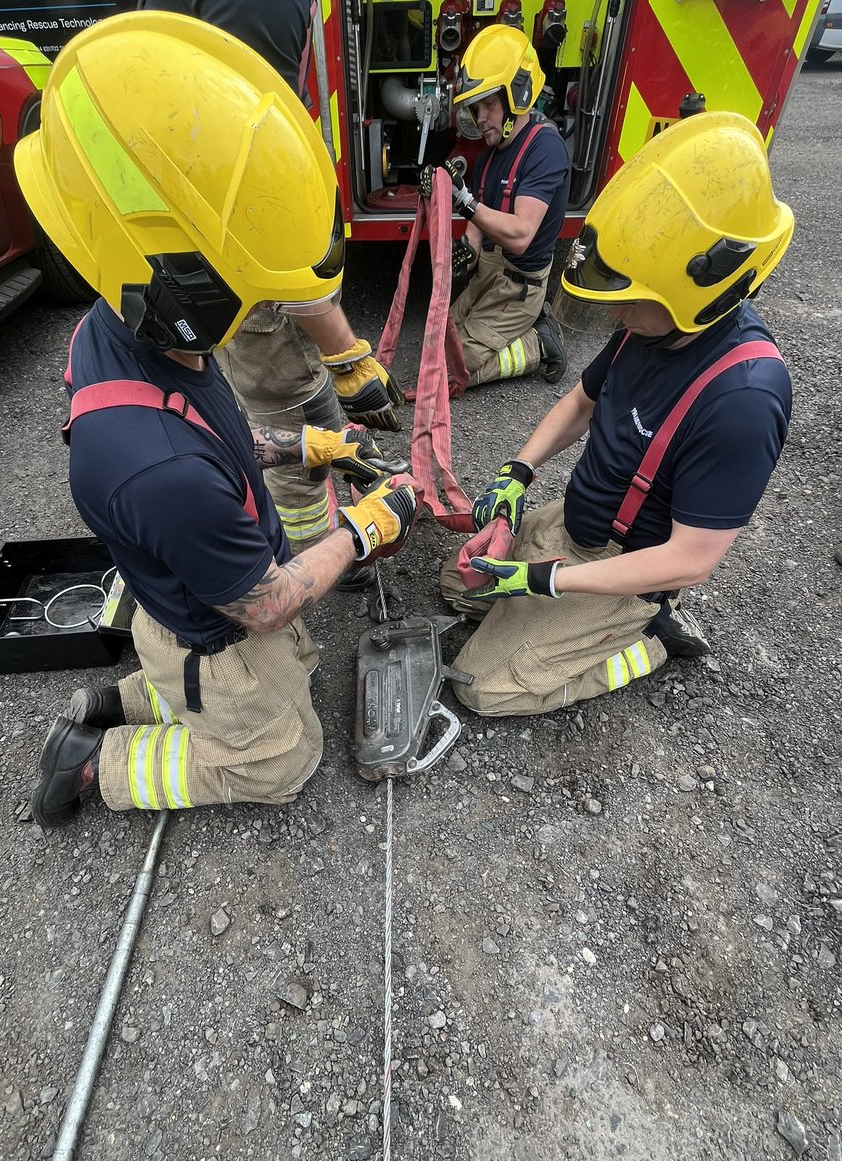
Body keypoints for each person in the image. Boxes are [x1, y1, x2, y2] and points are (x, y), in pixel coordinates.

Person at [16, 12, 417, 826]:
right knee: (285, 760)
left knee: (282, 668)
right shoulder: (158, 471)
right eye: (256, 290)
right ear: (188, 293)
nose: (274, 307)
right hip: (214, 628)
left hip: (186, 588)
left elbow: (216, 441)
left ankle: (127, 696)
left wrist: (316, 442)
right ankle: (96, 762)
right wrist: (371, 527)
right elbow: (265, 605)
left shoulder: (124, 324)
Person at [438, 110, 794, 716]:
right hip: (579, 521)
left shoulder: (743, 400)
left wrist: (549, 580)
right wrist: (518, 472)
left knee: (483, 687)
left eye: (631, 303)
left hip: (624, 565)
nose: (618, 315)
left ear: (696, 294)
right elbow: (580, 401)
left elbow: (692, 557)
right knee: (456, 586)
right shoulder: (655, 323)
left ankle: (646, 639)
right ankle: (554, 607)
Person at [139, 0, 405, 562]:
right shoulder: (230, 129)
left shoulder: (192, 87)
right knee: (285, 417)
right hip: (248, 289)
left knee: (306, 397)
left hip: (230, 271)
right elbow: (275, 268)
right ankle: (319, 551)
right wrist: (349, 356)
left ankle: (356, 469)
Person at [417, 24, 570, 389]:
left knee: (450, 372)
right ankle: (518, 335)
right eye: (475, 107)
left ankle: (539, 344)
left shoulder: (544, 150)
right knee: (433, 346)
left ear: (516, 95)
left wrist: (464, 201)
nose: (479, 117)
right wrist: (462, 255)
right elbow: (476, 233)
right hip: (490, 274)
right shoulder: (488, 160)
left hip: (520, 288)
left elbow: (519, 235)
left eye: (488, 105)